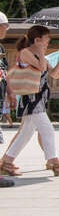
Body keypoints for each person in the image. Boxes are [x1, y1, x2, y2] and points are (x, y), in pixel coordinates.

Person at [0, 25, 59, 177]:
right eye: (46, 39)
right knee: (47, 130)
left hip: (39, 97)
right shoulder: (26, 53)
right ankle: (55, 162)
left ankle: (6, 162)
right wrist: (40, 52)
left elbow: (54, 74)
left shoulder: (40, 55)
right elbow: (41, 67)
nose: (48, 42)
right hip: (30, 98)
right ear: (37, 39)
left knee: (26, 133)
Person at [0, 13, 12, 187]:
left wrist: (10, 92)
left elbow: (5, 71)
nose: (7, 29)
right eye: (5, 25)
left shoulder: (1, 48)